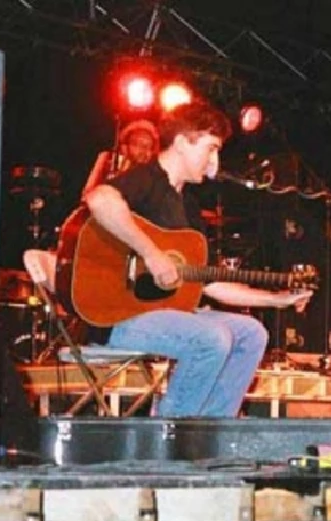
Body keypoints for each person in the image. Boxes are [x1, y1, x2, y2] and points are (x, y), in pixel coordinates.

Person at [83, 102, 313, 417]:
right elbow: (98, 199)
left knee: (252, 333)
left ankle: (211, 431)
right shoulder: (146, 178)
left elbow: (210, 283)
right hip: (114, 317)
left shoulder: (189, 210)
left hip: (163, 314)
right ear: (180, 143)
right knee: (212, 339)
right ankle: (170, 433)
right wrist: (151, 253)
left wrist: (278, 299)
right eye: (211, 149)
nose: (214, 161)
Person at [82, 119, 159, 196]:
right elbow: (88, 194)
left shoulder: (154, 177)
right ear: (124, 147)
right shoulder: (108, 159)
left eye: (149, 147)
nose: (144, 150)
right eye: (139, 144)